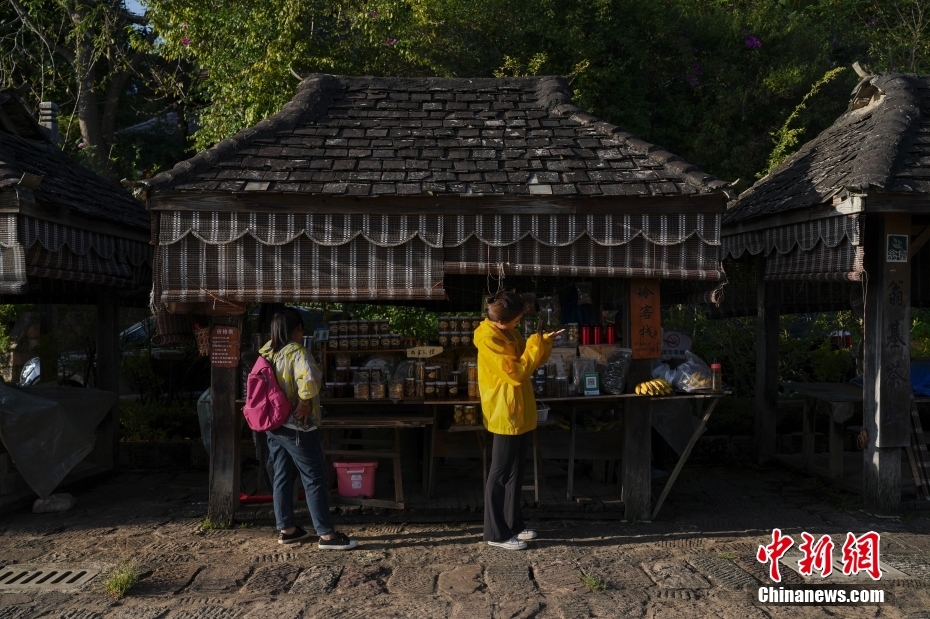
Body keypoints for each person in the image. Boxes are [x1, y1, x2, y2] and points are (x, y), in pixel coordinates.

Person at [259, 308, 357, 550]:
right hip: (297, 426)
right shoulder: (297, 352)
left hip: (274, 424)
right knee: (314, 477)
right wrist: (304, 401)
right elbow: (310, 379)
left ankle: (287, 530)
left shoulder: (268, 351)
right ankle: (326, 535)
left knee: (282, 475)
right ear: (298, 329)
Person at [474, 291, 563, 550]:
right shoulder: (488, 338)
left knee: (516, 471)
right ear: (502, 320)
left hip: (519, 407)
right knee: (500, 472)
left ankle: (513, 524)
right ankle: (495, 532)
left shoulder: (508, 333)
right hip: (505, 410)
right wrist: (535, 345)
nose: (519, 323)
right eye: (517, 319)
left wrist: (542, 341)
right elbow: (516, 372)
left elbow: (528, 357)